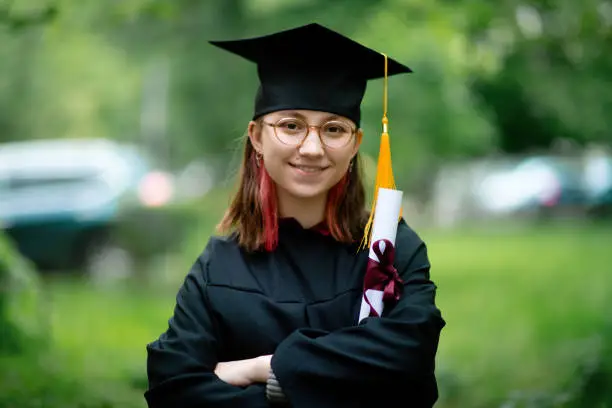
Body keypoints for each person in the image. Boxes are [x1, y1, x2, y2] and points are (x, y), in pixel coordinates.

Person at [144, 23, 445, 408]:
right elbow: (175, 390)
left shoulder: (391, 249)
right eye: (290, 126)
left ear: (355, 144)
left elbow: (410, 363)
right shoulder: (219, 268)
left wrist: (266, 369)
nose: (312, 147)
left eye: (334, 129)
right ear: (256, 136)